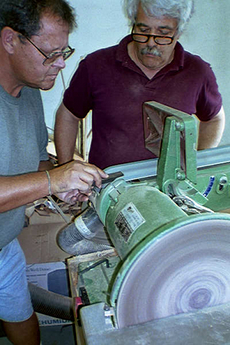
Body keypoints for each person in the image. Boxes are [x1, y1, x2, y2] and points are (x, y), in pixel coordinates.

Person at [0, 1, 108, 344]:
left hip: (3, 246)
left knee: (21, 320)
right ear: (9, 40)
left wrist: (61, 180)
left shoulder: (29, 92)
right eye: (50, 54)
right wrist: (51, 180)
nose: (60, 65)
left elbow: (33, 165)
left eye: (65, 52)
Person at [54, 0, 225, 170]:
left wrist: (200, 165)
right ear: (133, 24)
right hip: (110, 188)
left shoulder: (197, 72)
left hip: (170, 190)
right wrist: (66, 168)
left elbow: (214, 118)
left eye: (163, 33)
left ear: (178, 32)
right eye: (143, 31)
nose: (151, 43)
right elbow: (68, 115)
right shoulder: (96, 66)